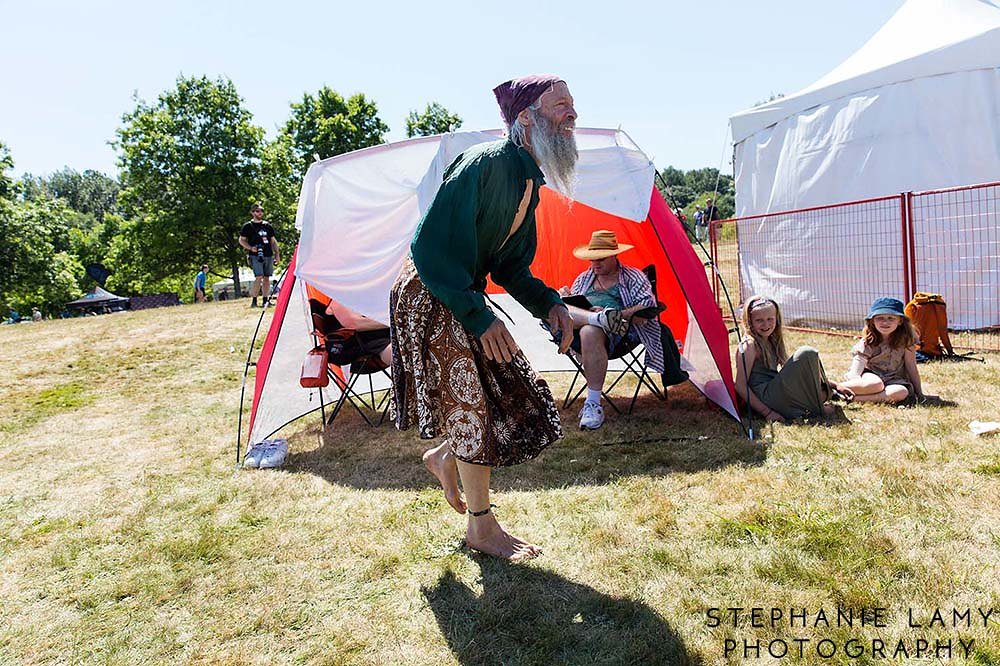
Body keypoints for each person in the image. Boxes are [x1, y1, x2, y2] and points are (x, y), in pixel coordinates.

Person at [389, 75, 577, 562]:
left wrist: (550, 304)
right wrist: (478, 317)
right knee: (471, 401)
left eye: (573, 106)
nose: (572, 116)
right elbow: (429, 248)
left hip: (460, 291)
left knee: (506, 389)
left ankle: (444, 458)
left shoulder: (526, 181)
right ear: (526, 120)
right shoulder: (488, 162)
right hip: (432, 289)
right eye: (560, 106)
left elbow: (510, 266)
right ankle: (481, 527)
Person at [557, 230, 667, 430]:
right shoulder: (584, 278)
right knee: (557, 306)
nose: (595, 264)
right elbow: (573, 303)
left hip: (619, 334)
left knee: (589, 331)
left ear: (615, 255)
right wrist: (566, 296)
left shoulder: (633, 277)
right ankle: (598, 318)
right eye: (592, 260)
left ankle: (593, 403)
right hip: (577, 328)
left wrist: (619, 313)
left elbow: (647, 308)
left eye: (601, 259)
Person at [734, 296, 853, 421]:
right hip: (765, 397)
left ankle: (816, 400)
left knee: (821, 390)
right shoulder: (749, 345)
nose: (766, 324)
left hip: (775, 391)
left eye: (770, 319)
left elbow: (795, 372)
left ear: (777, 319)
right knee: (806, 353)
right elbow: (740, 386)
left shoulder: (772, 340)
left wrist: (835, 385)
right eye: (759, 320)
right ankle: (814, 408)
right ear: (749, 321)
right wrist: (767, 413)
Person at [840, 297, 925, 403]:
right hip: (872, 376)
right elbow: (856, 369)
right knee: (876, 384)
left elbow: (911, 367)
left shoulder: (906, 340)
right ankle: (832, 389)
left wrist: (919, 393)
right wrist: (855, 380)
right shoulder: (868, 341)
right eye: (880, 318)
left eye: (891, 318)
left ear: (900, 321)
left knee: (901, 391)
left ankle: (853, 398)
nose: (885, 322)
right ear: (872, 321)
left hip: (894, 379)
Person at [239, 203, 280, 307]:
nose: (260, 213)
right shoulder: (248, 226)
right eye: (257, 211)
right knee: (259, 276)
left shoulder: (267, 226)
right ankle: (254, 300)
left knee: (267, 277)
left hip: (268, 254)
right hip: (255, 255)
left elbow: (273, 241)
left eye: (261, 211)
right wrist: (250, 248)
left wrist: (277, 255)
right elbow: (241, 240)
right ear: (252, 213)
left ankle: (266, 300)